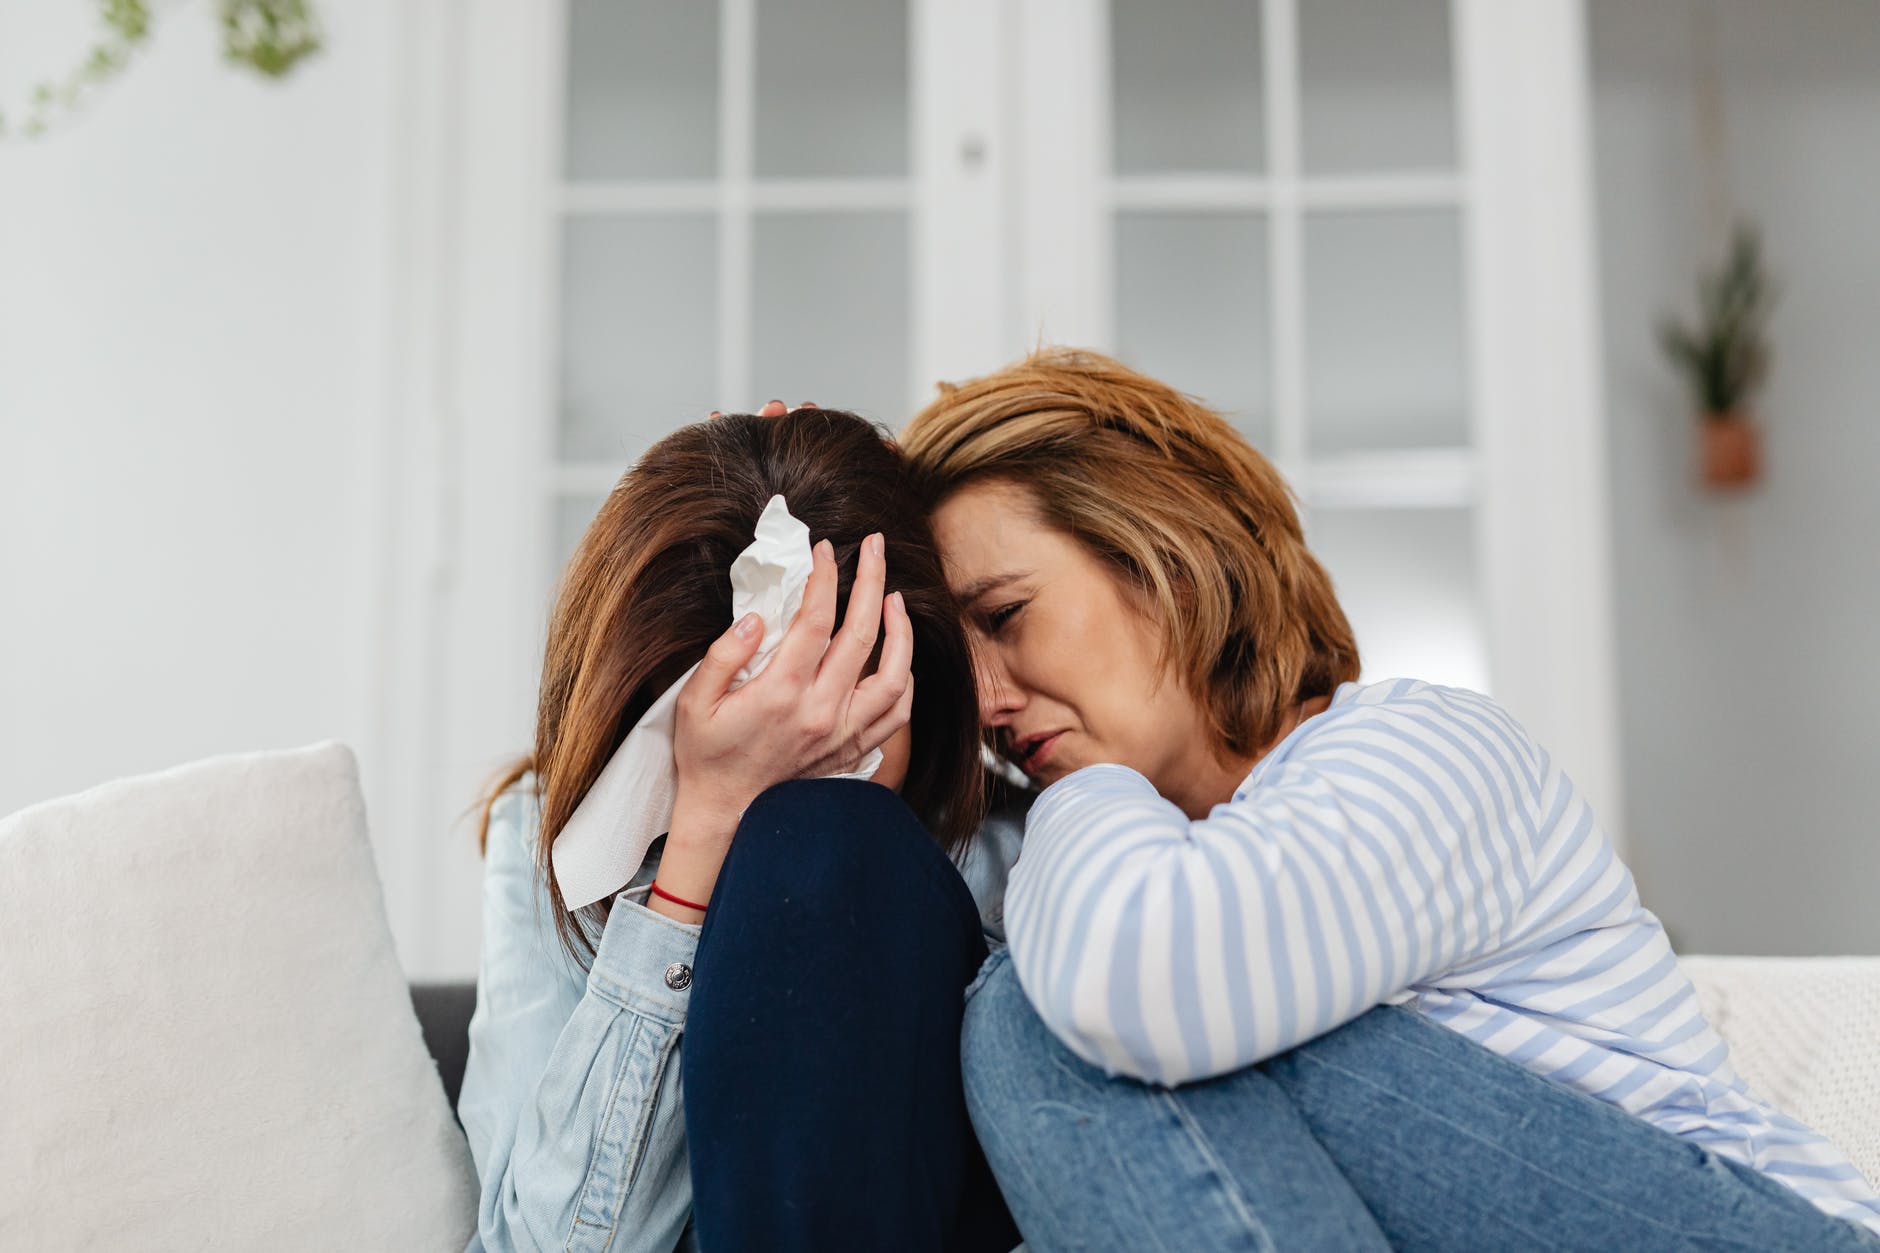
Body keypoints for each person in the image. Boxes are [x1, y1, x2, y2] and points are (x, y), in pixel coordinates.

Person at [897, 347, 1880, 1251]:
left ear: (1168, 559)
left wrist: (1083, 784)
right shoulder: (1098, 867)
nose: (982, 701)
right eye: (952, 666)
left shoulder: (1423, 749)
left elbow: (1132, 983)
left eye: (1005, 615)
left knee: (1034, 1009)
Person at [455, 407, 1021, 1252]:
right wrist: (704, 832)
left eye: (838, 728)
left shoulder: (1007, 850)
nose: (792, 766)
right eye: (748, 735)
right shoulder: (546, 834)